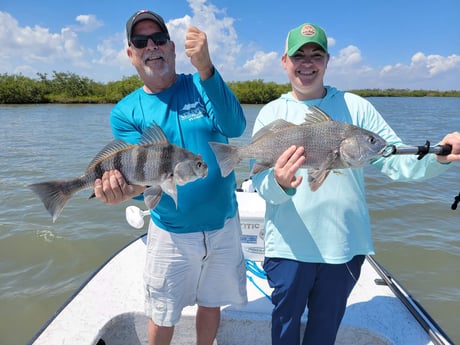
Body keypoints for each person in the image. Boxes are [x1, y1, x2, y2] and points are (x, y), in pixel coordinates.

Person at [250, 22, 460, 345]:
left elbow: (392, 156)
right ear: (284, 62)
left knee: (324, 334)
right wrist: (279, 182)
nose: (307, 63)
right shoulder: (271, 113)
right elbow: (259, 180)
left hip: (344, 248)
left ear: (327, 61)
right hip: (288, 250)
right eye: (299, 55)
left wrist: (438, 158)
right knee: (284, 330)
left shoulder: (356, 107)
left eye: (316, 55)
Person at [94, 10, 247, 345]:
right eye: (140, 41)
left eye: (159, 39)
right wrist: (122, 193)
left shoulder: (203, 85)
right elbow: (142, 180)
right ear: (130, 53)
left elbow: (236, 127)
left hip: (224, 225)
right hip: (171, 234)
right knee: (163, 314)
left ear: (173, 48)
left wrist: (206, 68)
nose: (151, 46)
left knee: (212, 302)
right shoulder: (125, 112)